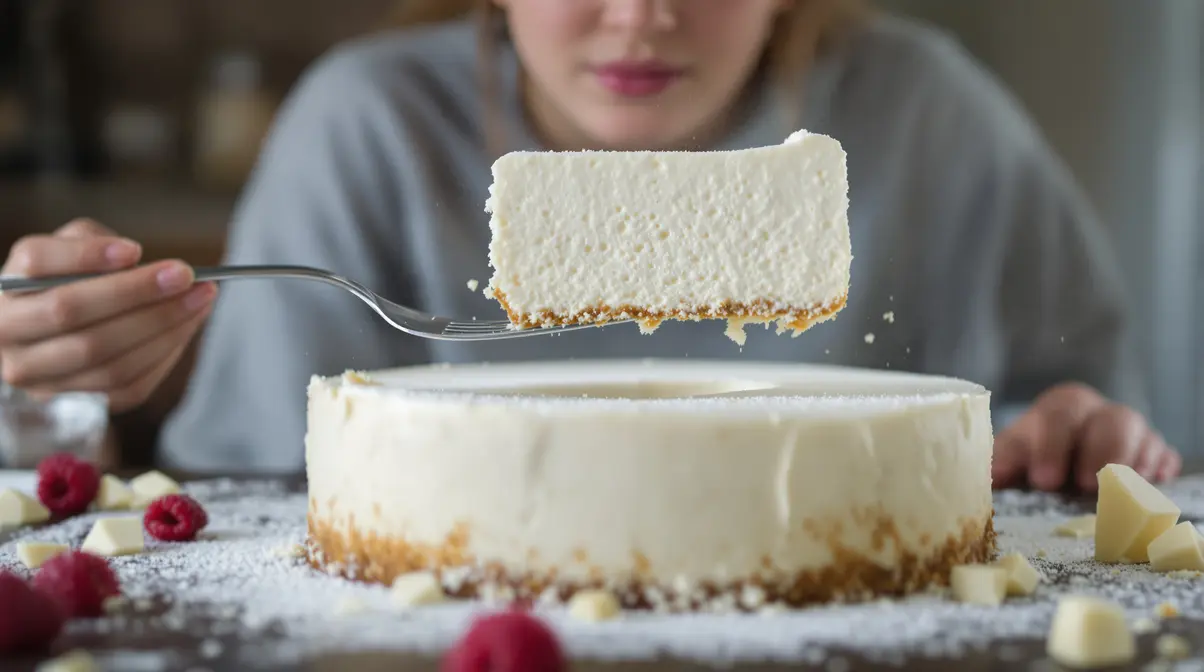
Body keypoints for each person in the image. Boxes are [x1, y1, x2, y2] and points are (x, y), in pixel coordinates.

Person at [0, 0, 1180, 488]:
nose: (640, 14)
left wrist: (1071, 440)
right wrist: (54, 399)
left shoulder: (934, 122)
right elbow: (250, 496)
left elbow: (1057, 451)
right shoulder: (366, 129)